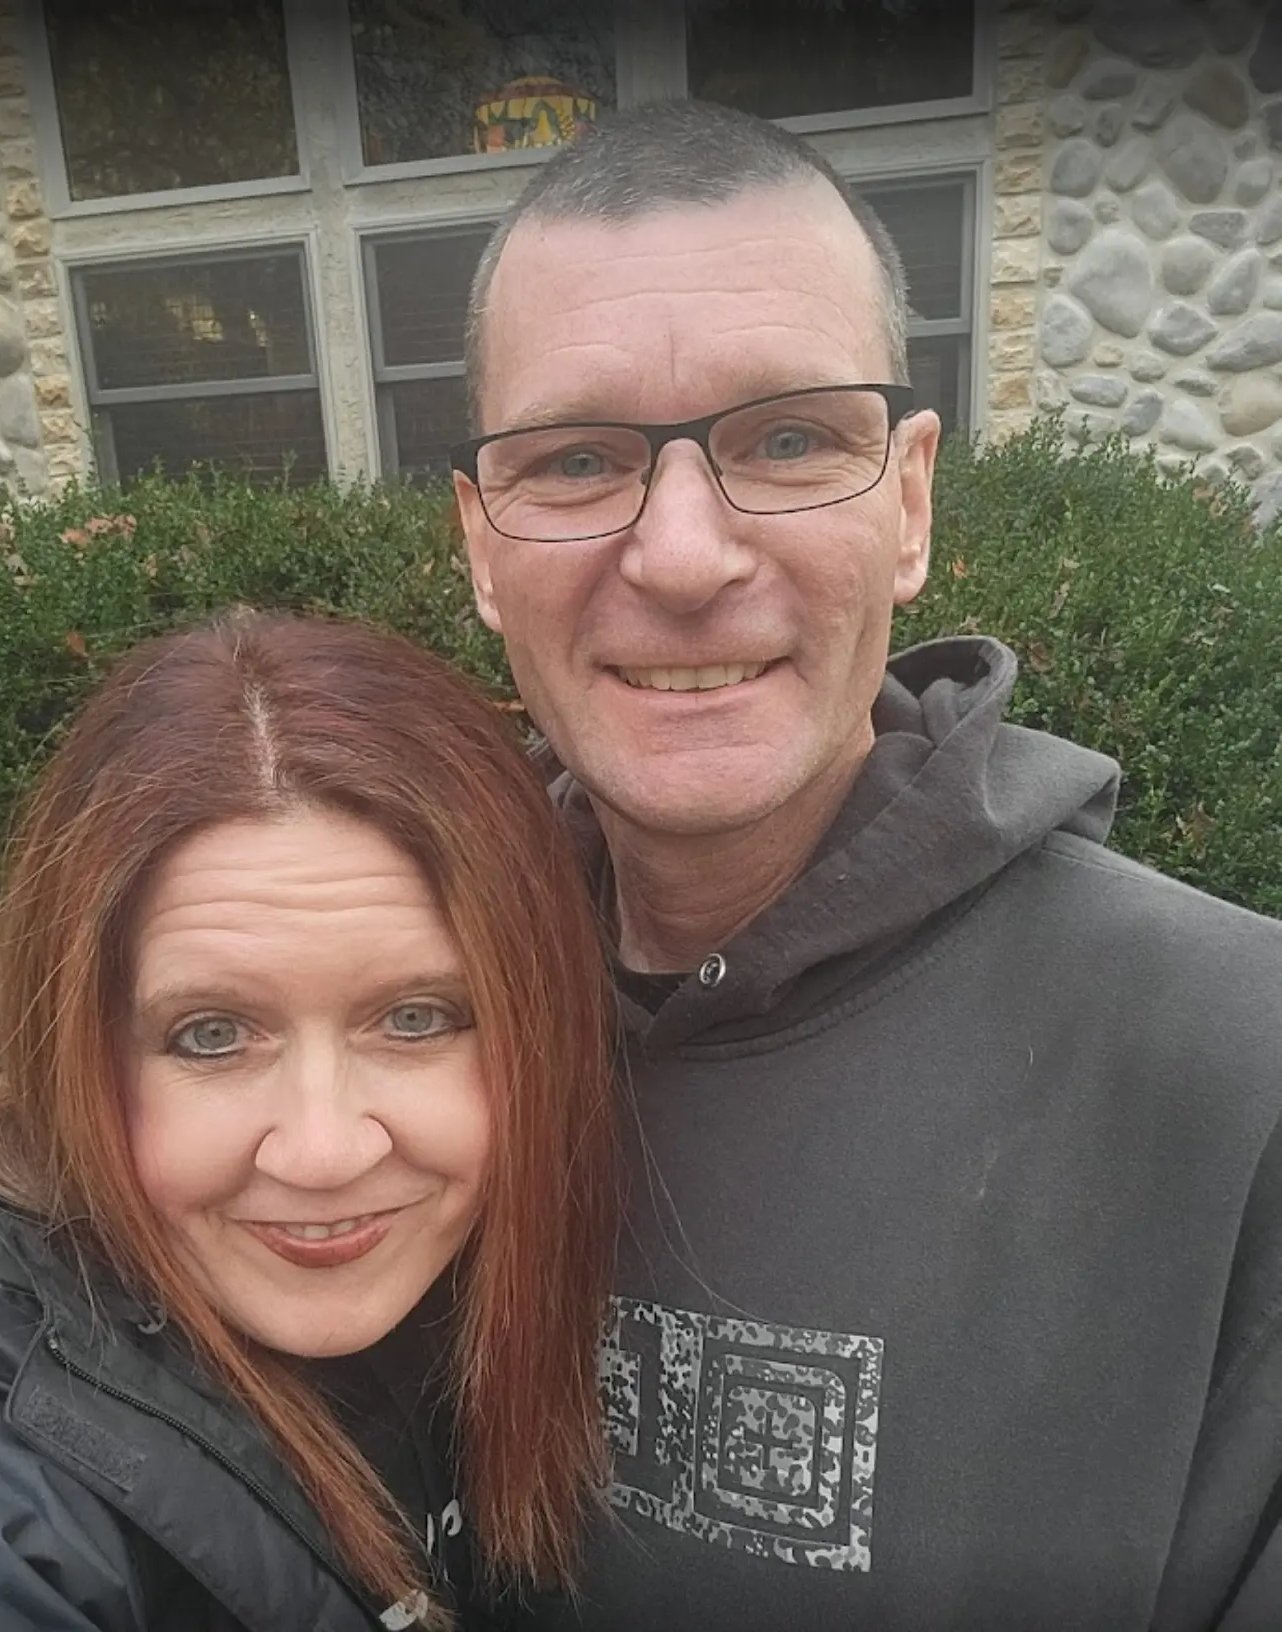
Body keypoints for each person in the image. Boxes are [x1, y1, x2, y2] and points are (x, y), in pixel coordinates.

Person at [450, 101, 1281, 1631]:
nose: (683, 558)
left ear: (906, 503)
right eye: (574, 459)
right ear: (480, 544)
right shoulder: (405, 1015)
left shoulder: (1238, 1075)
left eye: (785, 440)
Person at [0, 612, 618, 1632]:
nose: (323, 1150)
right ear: (74, 1053)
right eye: (212, 1035)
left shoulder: (486, 1287)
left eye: (417, 1018)